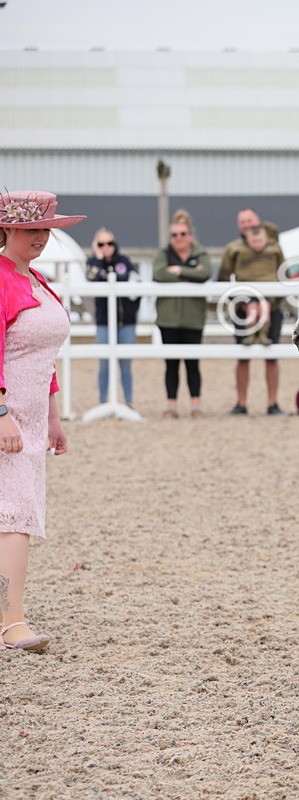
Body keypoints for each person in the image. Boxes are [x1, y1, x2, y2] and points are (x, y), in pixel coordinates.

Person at [0, 190, 80, 652]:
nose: (41, 238)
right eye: (32, 230)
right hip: (7, 419)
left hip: (29, 419)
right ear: (8, 229)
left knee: (14, 516)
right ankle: (13, 622)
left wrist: (53, 416)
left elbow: (43, 359)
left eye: (46, 230)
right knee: (14, 519)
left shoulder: (38, 280)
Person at [218, 225, 285, 415]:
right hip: (243, 303)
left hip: (271, 304)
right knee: (242, 355)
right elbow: (223, 276)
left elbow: (283, 273)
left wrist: (276, 300)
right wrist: (235, 301)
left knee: (272, 355)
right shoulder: (234, 249)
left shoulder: (274, 248)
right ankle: (241, 403)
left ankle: (273, 403)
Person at [153, 210, 212, 418]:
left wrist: (178, 271)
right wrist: (189, 276)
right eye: (174, 234)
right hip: (168, 319)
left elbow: (205, 273)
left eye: (183, 234)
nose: (178, 238)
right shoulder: (163, 253)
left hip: (193, 319)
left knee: (192, 364)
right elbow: (158, 274)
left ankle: (196, 406)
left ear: (190, 235)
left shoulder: (201, 253)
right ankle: (172, 406)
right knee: (171, 364)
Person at [85, 227, 140, 406]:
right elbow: (90, 279)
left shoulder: (125, 262)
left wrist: (133, 312)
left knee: (125, 364)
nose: (106, 247)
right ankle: (103, 402)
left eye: (109, 243)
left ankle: (129, 402)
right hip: (104, 323)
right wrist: (99, 260)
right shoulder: (92, 262)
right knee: (104, 365)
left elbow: (135, 288)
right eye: (101, 244)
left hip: (126, 323)